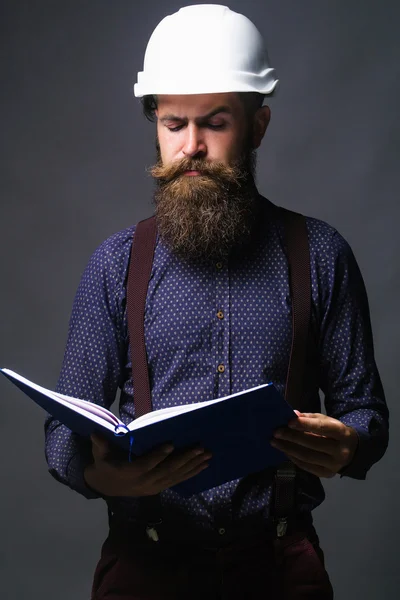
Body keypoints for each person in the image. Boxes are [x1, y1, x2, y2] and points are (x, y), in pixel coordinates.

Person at [44, 5, 389, 599]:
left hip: (281, 569)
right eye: (173, 123)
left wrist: (347, 443)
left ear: (258, 127)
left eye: (216, 122)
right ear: (155, 123)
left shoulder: (323, 254)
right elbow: (61, 433)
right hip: (144, 570)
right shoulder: (115, 263)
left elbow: (366, 412)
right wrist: (104, 477)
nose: (192, 147)